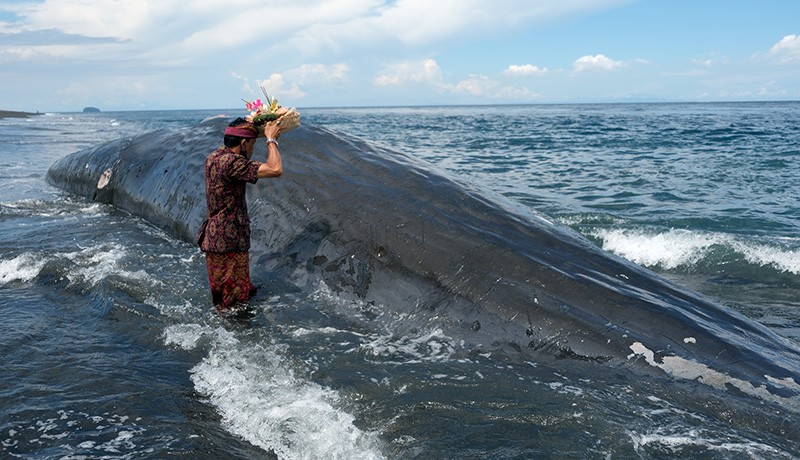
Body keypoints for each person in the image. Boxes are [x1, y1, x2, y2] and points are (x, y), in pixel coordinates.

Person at [196, 117, 283, 315]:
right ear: (243, 143)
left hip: (215, 238)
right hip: (230, 241)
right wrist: (271, 140)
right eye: (252, 144)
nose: (252, 150)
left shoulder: (214, 157)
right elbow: (275, 169)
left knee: (225, 299)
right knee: (234, 306)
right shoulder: (232, 163)